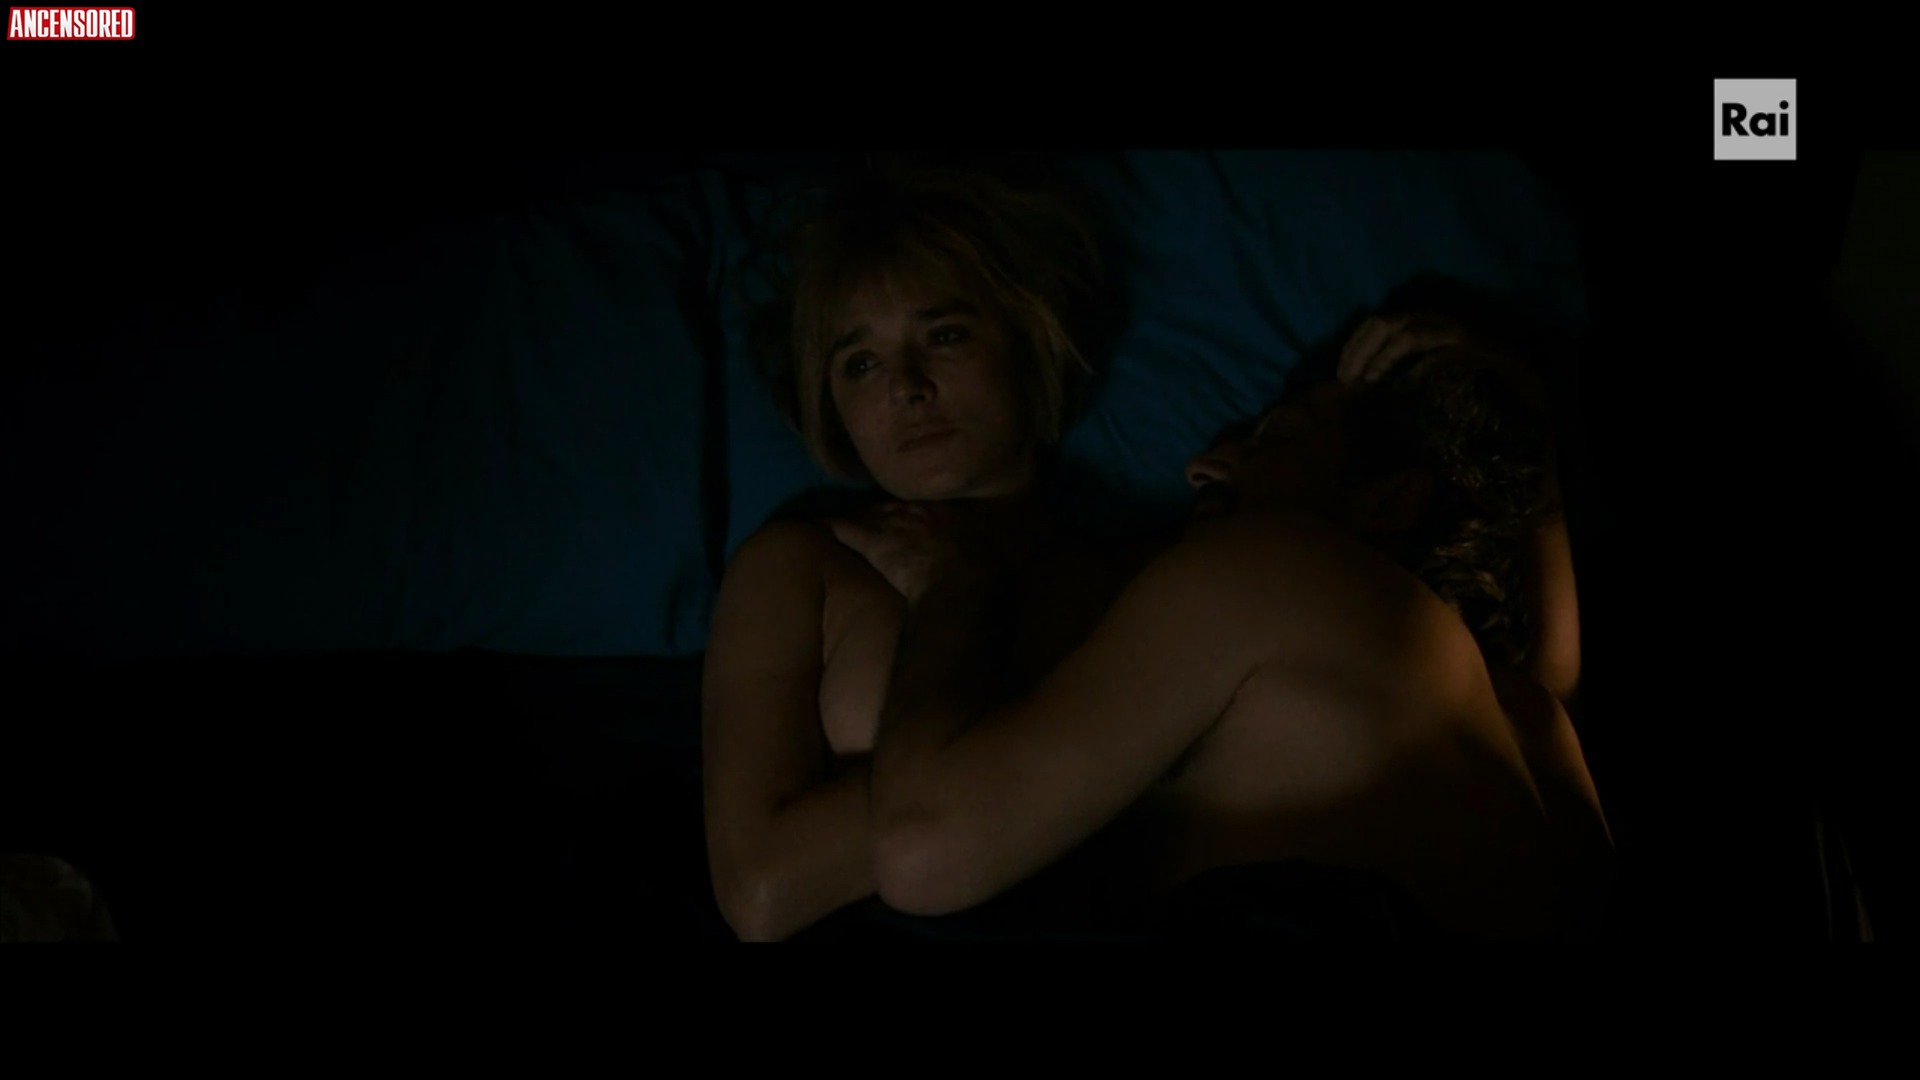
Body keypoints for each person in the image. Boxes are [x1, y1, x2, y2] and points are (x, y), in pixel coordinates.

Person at [834, 313, 1613, 941]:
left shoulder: (1277, 566)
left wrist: (953, 584)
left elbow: (920, 850)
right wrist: (1511, 397)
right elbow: (1549, 597)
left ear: (1388, 501)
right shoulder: (1532, 717)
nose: (1199, 469)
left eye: (1275, 440)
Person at [699, 157, 1140, 942]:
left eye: (945, 336)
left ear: (1028, 343)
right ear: (830, 403)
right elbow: (762, 890)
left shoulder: (1128, 585)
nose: (906, 386)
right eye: (861, 363)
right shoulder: (799, 569)